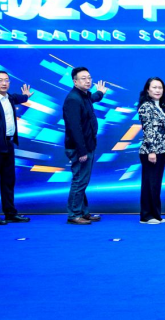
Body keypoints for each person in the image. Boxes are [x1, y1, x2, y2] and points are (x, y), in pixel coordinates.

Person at [0, 71, 33, 225]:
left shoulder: (9, 98)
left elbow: (18, 98)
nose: (4, 83)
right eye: (0, 80)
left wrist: (26, 96)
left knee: (8, 181)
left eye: (6, 80)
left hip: (8, 145)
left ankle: (10, 213)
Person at [63, 67, 108, 225]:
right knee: (79, 181)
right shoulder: (73, 99)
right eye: (83, 78)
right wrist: (81, 150)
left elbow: (92, 98)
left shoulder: (84, 95)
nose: (88, 81)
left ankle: (83, 212)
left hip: (87, 145)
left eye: (89, 78)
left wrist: (100, 93)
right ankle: (74, 215)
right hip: (79, 148)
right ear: (75, 81)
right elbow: (74, 128)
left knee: (82, 180)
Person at [137, 78, 165, 225]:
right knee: (149, 184)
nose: (158, 90)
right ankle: (146, 216)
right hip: (151, 152)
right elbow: (148, 130)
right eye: (154, 87)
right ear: (147, 90)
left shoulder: (159, 105)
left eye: (160, 88)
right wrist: (151, 151)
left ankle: (156, 215)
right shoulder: (146, 107)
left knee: (155, 184)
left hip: (162, 150)